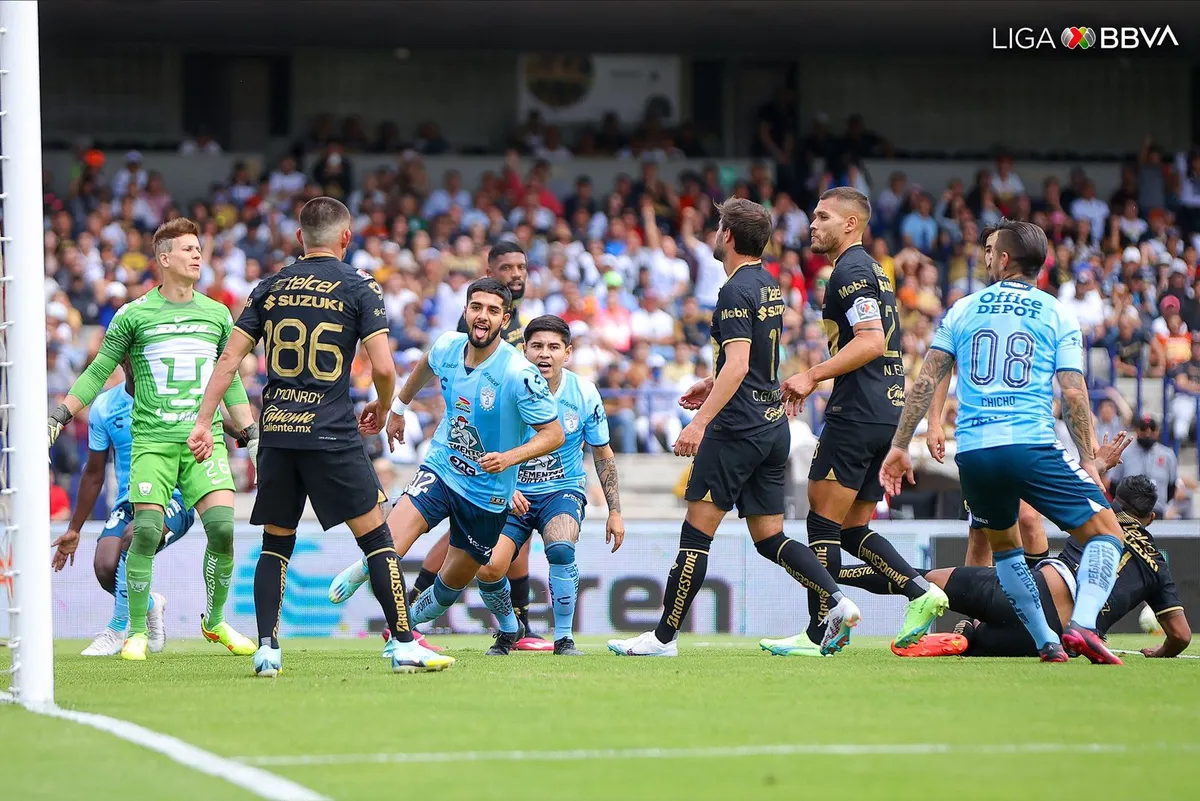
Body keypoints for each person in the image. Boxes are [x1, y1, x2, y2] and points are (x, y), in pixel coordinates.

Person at [187, 197, 449, 677]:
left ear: (299, 238)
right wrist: (384, 404)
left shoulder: (270, 286)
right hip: (331, 432)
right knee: (376, 538)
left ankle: (267, 648)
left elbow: (228, 362)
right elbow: (386, 367)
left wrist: (204, 421)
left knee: (275, 541)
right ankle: (404, 643)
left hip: (279, 433)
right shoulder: (359, 286)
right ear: (346, 238)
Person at [607, 198, 851, 658]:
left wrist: (700, 422)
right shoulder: (768, 284)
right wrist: (711, 380)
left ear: (729, 237)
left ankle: (663, 639)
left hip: (736, 429)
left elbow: (738, 364)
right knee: (770, 538)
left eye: (718, 227)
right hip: (772, 425)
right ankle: (835, 600)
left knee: (696, 535)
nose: (715, 234)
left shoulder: (734, 291)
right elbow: (751, 361)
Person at [881, 219, 1128, 665]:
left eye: (992, 252)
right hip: (1029, 444)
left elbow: (928, 378)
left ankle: (1046, 643)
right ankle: (1084, 625)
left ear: (1004, 258)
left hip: (973, 453)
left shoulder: (962, 309)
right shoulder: (1056, 312)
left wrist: (901, 444)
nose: (987, 257)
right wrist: (1089, 458)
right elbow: (1073, 391)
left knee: (1006, 548)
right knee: (1108, 535)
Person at [47, 218, 259, 662]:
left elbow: (230, 381)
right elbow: (99, 370)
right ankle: (137, 631)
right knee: (143, 533)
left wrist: (251, 434)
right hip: (154, 443)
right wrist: (62, 413)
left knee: (222, 528)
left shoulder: (218, 313)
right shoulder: (134, 315)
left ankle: (215, 621)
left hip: (204, 441)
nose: (198, 255)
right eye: (187, 249)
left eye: (199, 248)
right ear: (164, 260)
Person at [326, 278, 565, 653]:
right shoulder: (448, 347)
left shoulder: (519, 373)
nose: (482, 316)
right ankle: (380, 598)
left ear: (504, 320)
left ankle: (415, 625)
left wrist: (508, 458)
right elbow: (425, 365)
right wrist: (399, 408)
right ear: (466, 311)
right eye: (476, 307)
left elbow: (553, 434)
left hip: (488, 494)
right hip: (442, 468)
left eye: (492, 310)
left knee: (449, 589)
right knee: (387, 544)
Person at [765, 187, 949, 657]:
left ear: (850, 224)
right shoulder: (873, 272)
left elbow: (868, 341)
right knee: (851, 529)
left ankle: (819, 632)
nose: (813, 224)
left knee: (821, 525)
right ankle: (918, 590)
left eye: (823, 216)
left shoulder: (848, 270)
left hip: (856, 412)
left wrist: (810, 374)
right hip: (886, 411)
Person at [394, 315, 625, 655]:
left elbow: (602, 453)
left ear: (568, 353)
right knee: (488, 568)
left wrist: (615, 512)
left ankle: (564, 638)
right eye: (537, 346)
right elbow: (476, 443)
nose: (544, 354)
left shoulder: (584, 392)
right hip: (507, 492)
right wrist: (504, 485)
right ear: (525, 350)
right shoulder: (502, 383)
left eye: (553, 347)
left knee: (561, 546)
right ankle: (508, 628)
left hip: (561, 490)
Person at [847, 476, 1190, 660]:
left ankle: (831, 572)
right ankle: (972, 637)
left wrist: (1096, 464)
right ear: (1152, 519)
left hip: (1027, 593)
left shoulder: (1100, 516)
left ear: (1113, 499)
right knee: (982, 640)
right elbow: (1180, 635)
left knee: (920, 580)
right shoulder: (1157, 564)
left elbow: (1030, 515)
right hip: (1052, 640)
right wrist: (1160, 653)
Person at [50, 363, 216, 657]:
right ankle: (150, 603)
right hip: (129, 501)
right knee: (104, 567)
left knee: (134, 537)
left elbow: (213, 422)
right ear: (123, 357)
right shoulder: (105, 405)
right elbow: (94, 472)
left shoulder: (176, 398)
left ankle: (116, 630)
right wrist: (74, 529)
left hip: (173, 498)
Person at [1107, 415, 1178, 516]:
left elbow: (1172, 486)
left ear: (1157, 431)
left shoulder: (1168, 455)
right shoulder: (1124, 454)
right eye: (1143, 428)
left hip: (1158, 512)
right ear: (1137, 430)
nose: (1148, 433)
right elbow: (1114, 485)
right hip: (1130, 513)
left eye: (1152, 428)